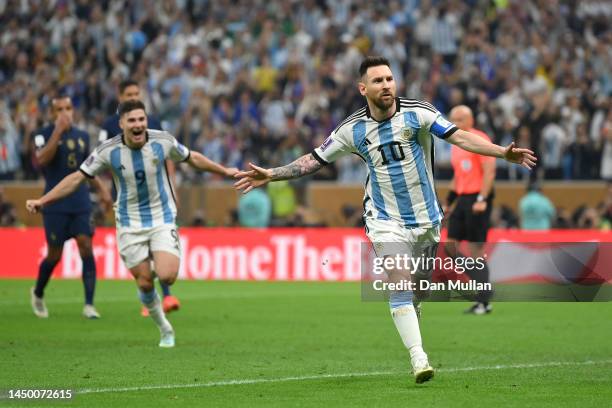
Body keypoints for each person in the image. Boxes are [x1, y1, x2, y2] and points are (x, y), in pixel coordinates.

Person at [234, 56, 536, 384]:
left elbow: (459, 137)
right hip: (383, 218)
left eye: (390, 79)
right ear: (363, 88)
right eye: (378, 81)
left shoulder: (418, 112)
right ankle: (419, 357)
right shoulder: (352, 130)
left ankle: (411, 313)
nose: (386, 85)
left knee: (417, 290)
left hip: (426, 220)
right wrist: (274, 173)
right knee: (400, 280)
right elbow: (315, 159)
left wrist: (500, 152)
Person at [27, 100, 238, 347]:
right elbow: (76, 178)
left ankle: (156, 274)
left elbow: (192, 158)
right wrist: (44, 200)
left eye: (141, 119)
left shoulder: (163, 141)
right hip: (128, 224)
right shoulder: (108, 150)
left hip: (161, 217)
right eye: (132, 121)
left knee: (167, 276)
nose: (138, 125)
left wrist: (224, 171)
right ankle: (165, 328)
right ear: (122, 124)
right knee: (145, 281)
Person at [100, 79, 181, 317]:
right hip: (126, 199)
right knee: (142, 255)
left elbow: (168, 157)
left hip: (155, 197)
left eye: (136, 92)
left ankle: (164, 296)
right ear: (120, 95)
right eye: (128, 93)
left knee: (159, 247)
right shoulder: (108, 126)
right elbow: (100, 161)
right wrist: (106, 193)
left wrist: (173, 189)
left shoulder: (152, 122)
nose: (133, 96)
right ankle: (148, 295)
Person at [30, 95, 112, 319]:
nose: (65, 113)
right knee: (54, 255)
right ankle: (38, 292)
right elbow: (42, 161)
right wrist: (57, 132)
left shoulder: (83, 136)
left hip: (80, 201)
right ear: (51, 113)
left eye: (68, 108)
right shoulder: (41, 135)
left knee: (86, 245)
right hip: (54, 202)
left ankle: (89, 305)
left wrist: (103, 190)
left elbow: (89, 169)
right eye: (59, 109)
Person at [444, 105, 496, 315]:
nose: (455, 123)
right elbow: (459, 175)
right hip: (463, 199)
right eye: (452, 119)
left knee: (476, 252)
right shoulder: (455, 143)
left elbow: (489, 171)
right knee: (450, 247)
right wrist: (449, 201)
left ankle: (483, 301)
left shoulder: (479, 139)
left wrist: (483, 198)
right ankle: (484, 286)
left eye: (459, 119)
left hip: (478, 199)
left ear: (470, 120)